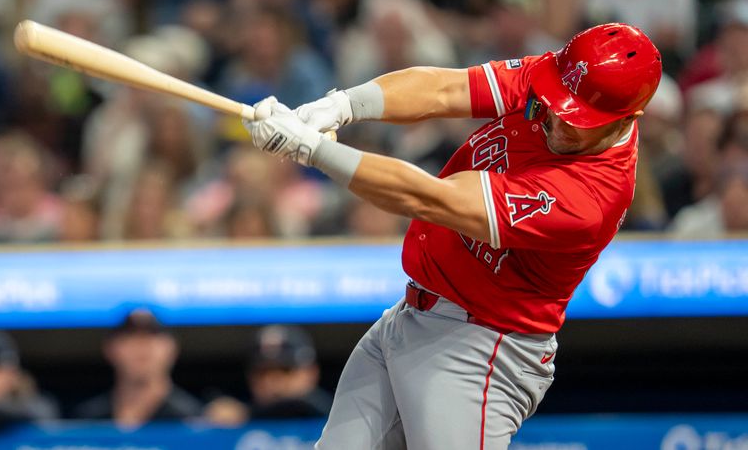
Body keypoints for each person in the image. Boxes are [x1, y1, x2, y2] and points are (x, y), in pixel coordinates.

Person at [244, 22, 662, 448]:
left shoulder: (590, 197)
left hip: (481, 348)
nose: (556, 117)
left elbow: (430, 198)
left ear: (627, 117)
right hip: (412, 314)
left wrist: (314, 151)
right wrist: (342, 106)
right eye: (557, 101)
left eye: (577, 118)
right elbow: (443, 90)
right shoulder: (556, 75)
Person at [74, 308, 201, 427]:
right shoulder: (88, 420)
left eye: (152, 335)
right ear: (110, 348)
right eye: (131, 336)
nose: (142, 345)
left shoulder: (193, 420)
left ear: (172, 348)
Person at [206, 325, 332, 425]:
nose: (273, 382)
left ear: (311, 372)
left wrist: (246, 414)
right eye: (263, 372)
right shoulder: (234, 424)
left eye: (285, 370)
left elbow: (300, 406)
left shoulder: (335, 415)